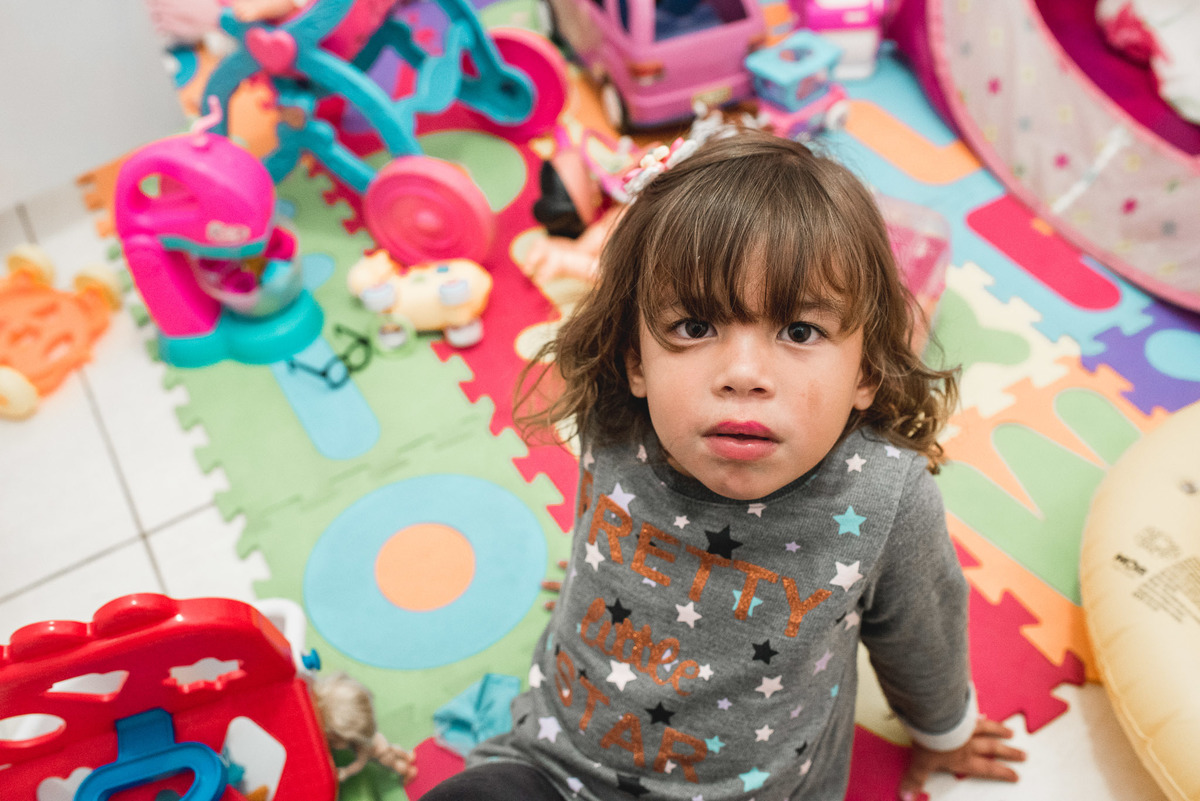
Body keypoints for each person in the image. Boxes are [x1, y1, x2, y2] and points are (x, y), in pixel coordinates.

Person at [424, 129, 1024, 800]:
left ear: (867, 372)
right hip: (554, 762)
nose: (742, 373)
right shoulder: (615, 419)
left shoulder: (884, 495)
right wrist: (604, 581)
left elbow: (922, 635)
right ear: (635, 360)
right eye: (694, 327)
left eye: (799, 331)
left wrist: (945, 733)